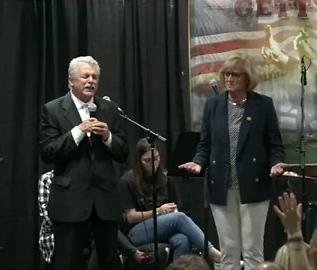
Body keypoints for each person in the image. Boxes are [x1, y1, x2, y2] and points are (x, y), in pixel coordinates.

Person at [178, 54, 287, 270]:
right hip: (221, 185)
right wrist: (199, 163)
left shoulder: (263, 105)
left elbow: (275, 145)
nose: (229, 79)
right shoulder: (213, 105)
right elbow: (205, 144)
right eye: (226, 74)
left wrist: (277, 163)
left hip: (254, 186)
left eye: (235, 75)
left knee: (253, 250)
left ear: (247, 79)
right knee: (228, 250)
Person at [39, 56, 129, 270]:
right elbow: (48, 152)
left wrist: (108, 136)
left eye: (94, 77)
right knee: (68, 263)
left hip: (104, 200)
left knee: (109, 262)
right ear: (71, 81)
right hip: (70, 200)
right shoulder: (52, 110)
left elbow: (123, 152)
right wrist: (78, 132)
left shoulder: (109, 109)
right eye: (85, 76)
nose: (91, 81)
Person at [119, 138, 221, 263]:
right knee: (179, 218)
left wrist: (171, 212)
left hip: (165, 226)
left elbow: (175, 207)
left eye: (156, 159)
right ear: (138, 161)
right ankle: (211, 252)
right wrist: (158, 212)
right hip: (137, 231)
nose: (153, 164)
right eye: (147, 161)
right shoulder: (127, 180)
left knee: (182, 239)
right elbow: (130, 217)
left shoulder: (165, 178)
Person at [37, 170, 149, 269]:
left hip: (88, 227)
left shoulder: (87, 178)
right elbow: (48, 216)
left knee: (103, 227)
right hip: (60, 231)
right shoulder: (47, 179)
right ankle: (132, 253)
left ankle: (127, 255)